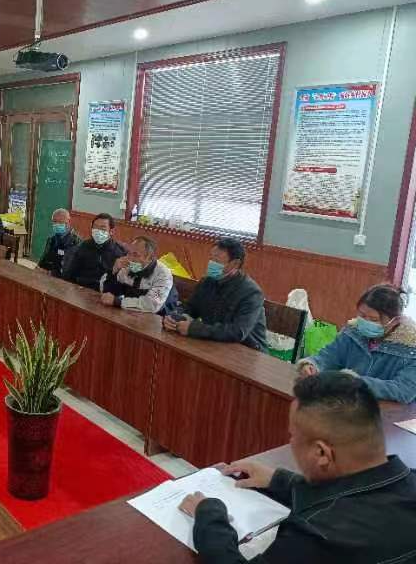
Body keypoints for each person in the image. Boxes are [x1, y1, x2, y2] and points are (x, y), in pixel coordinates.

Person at [179, 372, 416, 564]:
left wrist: (209, 514)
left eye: (292, 435)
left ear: (321, 453)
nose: (291, 441)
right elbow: (354, 493)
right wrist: (280, 480)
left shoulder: (315, 537)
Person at [297, 284, 416, 403]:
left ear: (395, 321)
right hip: (349, 404)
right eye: (362, 315)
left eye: (374, 319)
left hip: (386, 410)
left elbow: (404, 390)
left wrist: (357, 382)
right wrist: (313, 365)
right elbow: (330, 356)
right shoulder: (352, 333)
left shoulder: (410, 349)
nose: (366, 322)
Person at [163, 237, 268, 352]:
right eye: (211, 258)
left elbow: (238, 332)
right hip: (214, 343)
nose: (211, 264)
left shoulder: (251, 293)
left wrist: (194, 329)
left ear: (235, 263)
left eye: (217, 261)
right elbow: (189, 308)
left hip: (247, 350)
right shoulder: (207, 282)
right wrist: (172, 317)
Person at [100, 236, 176, 314]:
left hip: (159, 316)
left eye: (136, 255)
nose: (130, 259)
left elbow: (152, 304)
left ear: (150, 258)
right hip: (130, 312)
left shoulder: (163, 274)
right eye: (129, 253)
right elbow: (107, 294)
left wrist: (118, 302)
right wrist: (113, 272)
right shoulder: (125, 265)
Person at [63, 213, 127, 291]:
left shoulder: (119, 253)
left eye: (102, 228)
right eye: (95, 227)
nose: (98, 231)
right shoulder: (83, 246)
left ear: (111, 231)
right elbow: (70, 273)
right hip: (80, 289)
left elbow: (120, 283)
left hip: (103, 292)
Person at [37, 208, 81, 278]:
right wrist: (38, 269)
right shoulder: (51, 240)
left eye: (60, 222)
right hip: (46, 278)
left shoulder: (75, 243)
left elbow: (68, 271)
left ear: (68, 222)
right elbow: (42, 262)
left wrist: (49, 273)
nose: (57, 225)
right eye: (54, 222)